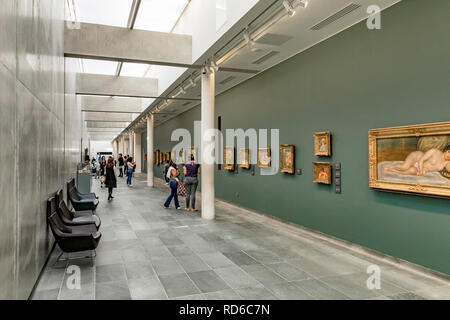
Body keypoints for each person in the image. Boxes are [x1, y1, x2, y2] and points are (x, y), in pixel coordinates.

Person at [384, 146, 450, 176]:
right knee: (404, 167)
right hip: (417, 157)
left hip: (422, 169)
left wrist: (421, 171)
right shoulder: (435, 151)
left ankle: (393, 171)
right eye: (449, 152)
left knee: (412, 171)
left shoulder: (447, 162)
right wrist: (421, 171)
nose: (449, 155)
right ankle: (390, 166)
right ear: (445, 150)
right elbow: (421, 160)